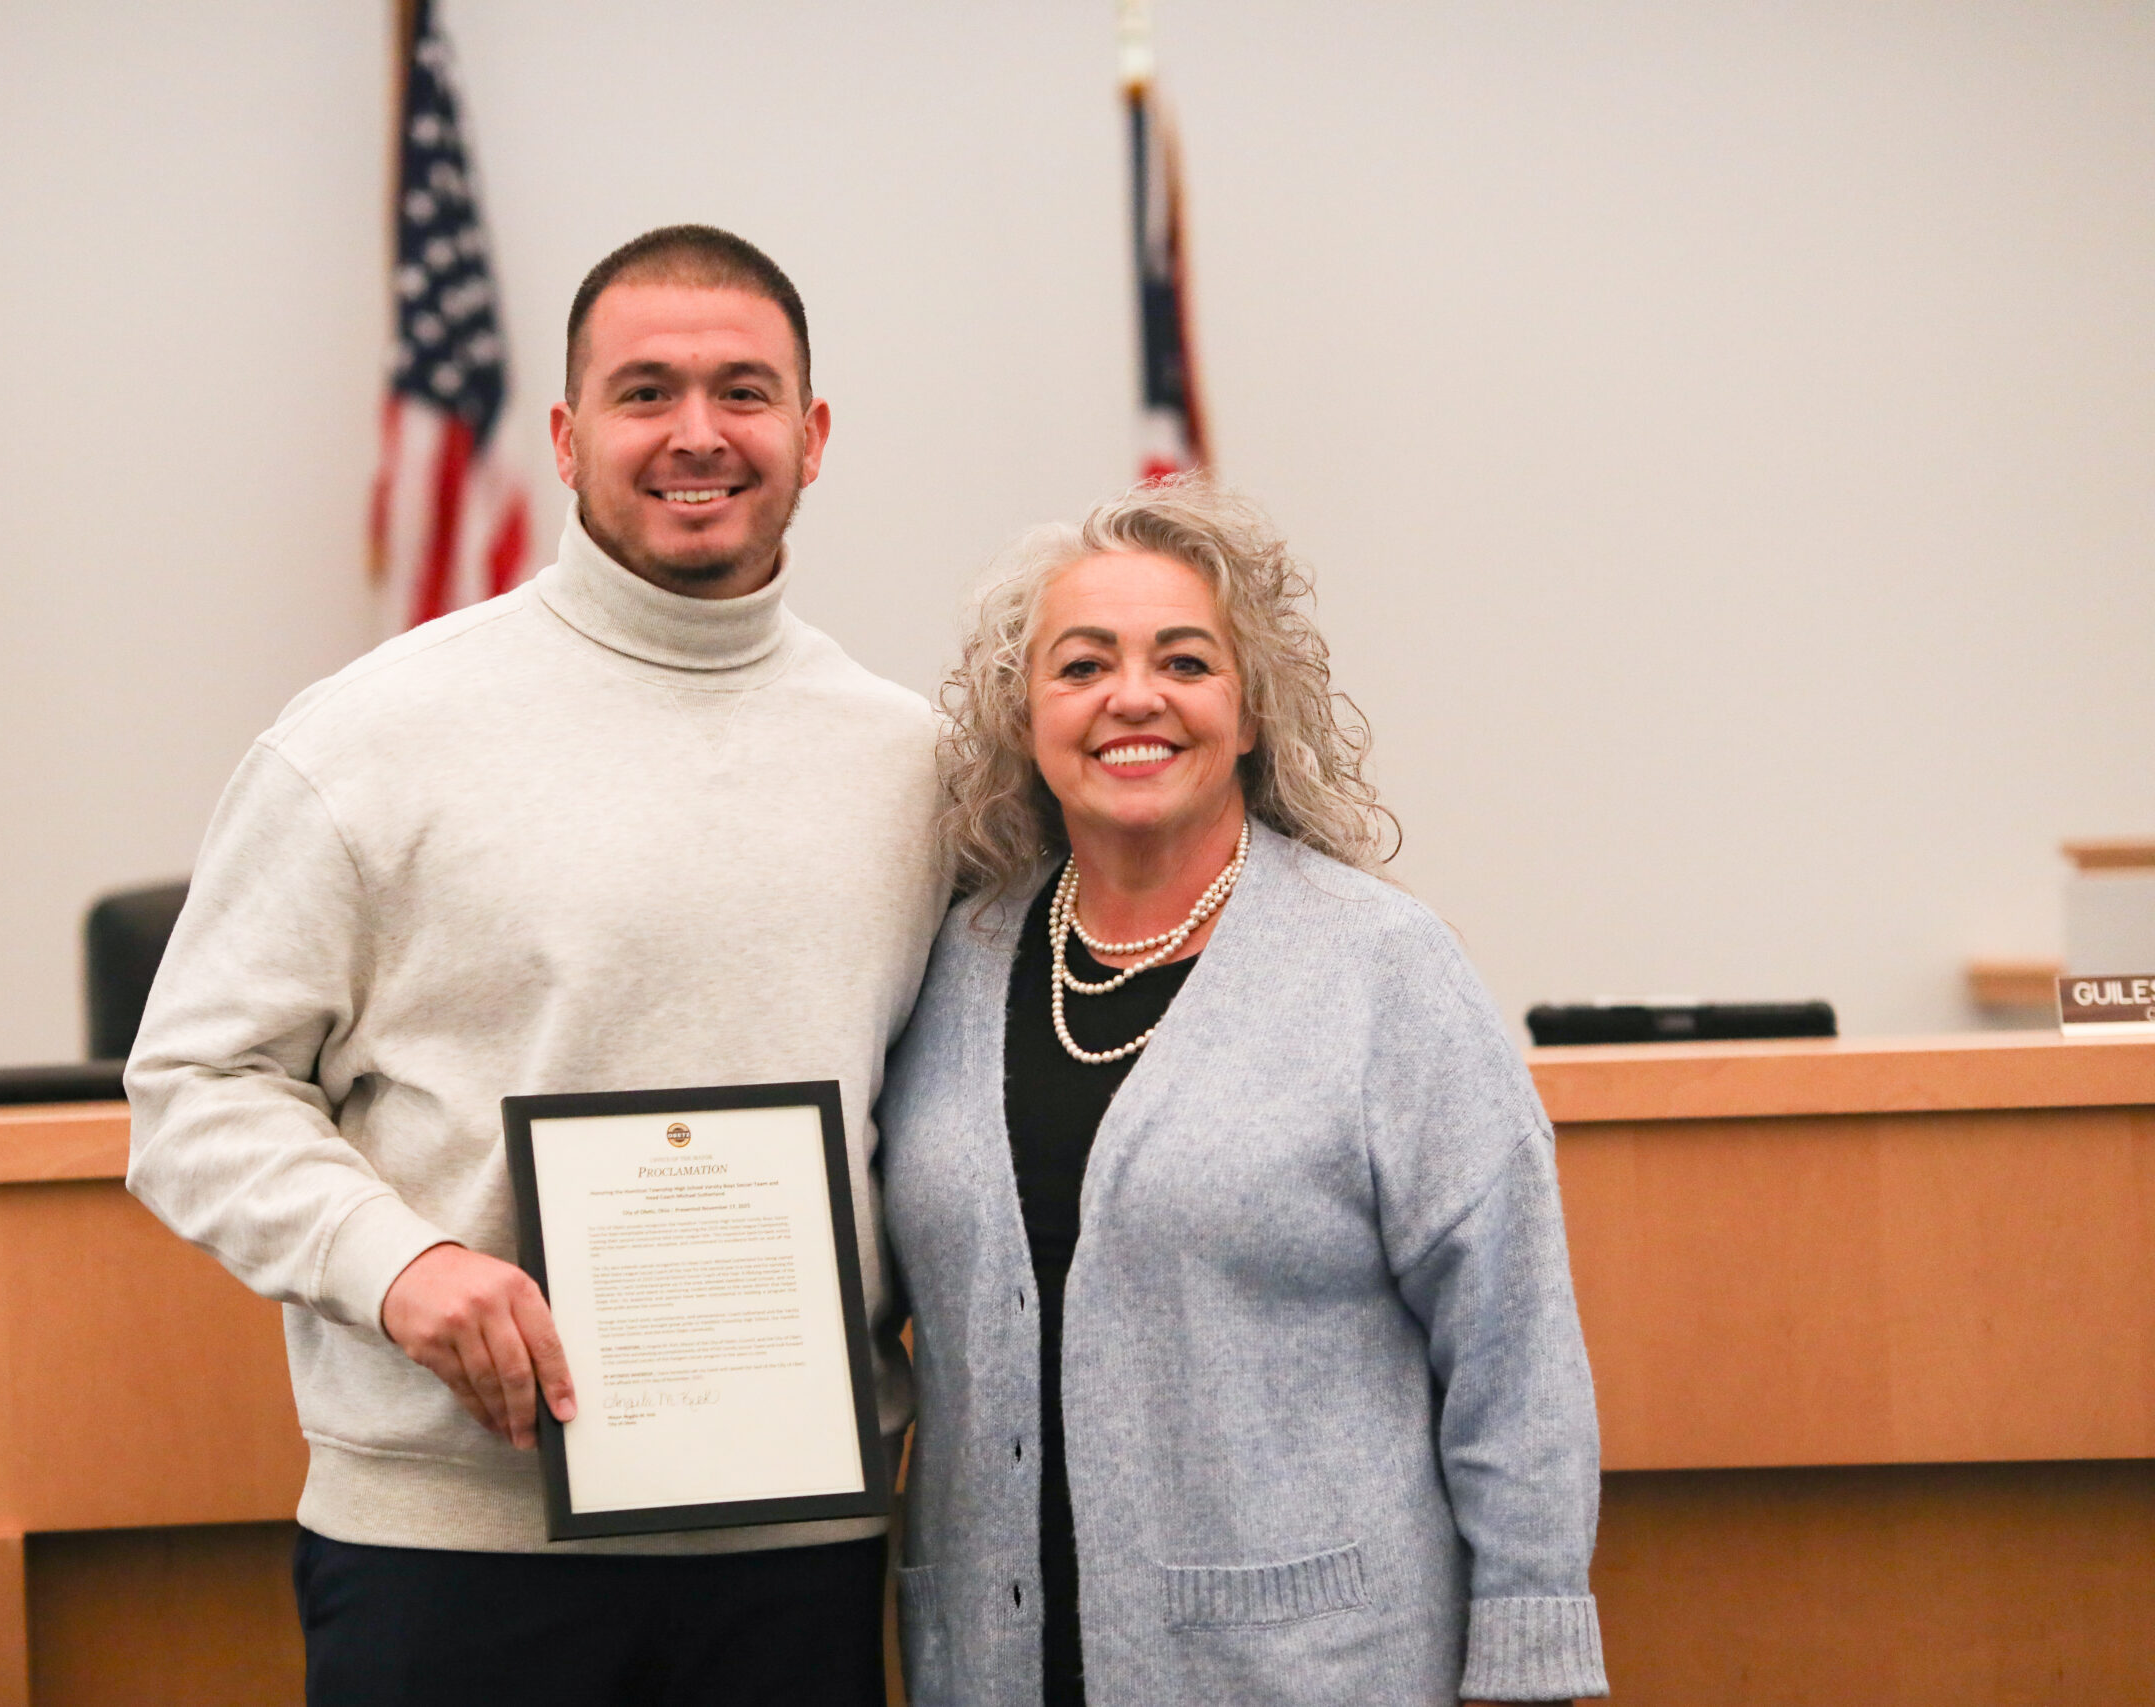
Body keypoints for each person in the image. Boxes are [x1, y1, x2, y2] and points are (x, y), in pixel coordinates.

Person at [126, 225, 947, 1707]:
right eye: (646, 391)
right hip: (455, 1557)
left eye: (743, 391)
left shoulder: (916, 764)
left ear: (812, 437)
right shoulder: (371, 735)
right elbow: (192, 1085)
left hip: (801, 1551)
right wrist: (402, 1265)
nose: (697, 432)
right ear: (567, 438)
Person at [877, 478, 1606, 1707]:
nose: (1133, 697)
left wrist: (1527, 1658)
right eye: (1081, 665)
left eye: (1184, 660)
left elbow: (1513, 1347)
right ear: (1025, 714)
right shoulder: (946, 966)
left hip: (1305, 1668)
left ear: (1251, 707)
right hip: (990, 1667)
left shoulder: (1381, 969)